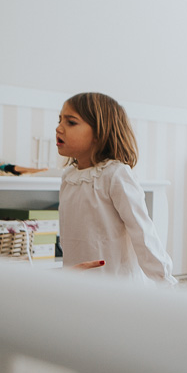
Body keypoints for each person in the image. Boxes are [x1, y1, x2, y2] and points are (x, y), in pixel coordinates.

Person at [56, 92, 177, 285]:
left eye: (70, 122)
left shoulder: (115, 175)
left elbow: (142, 232)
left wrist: (164, 280)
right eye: (59, 120)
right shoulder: (68, 178)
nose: (59, 128)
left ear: (99, 133)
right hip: (77, 283)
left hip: (117, 284)